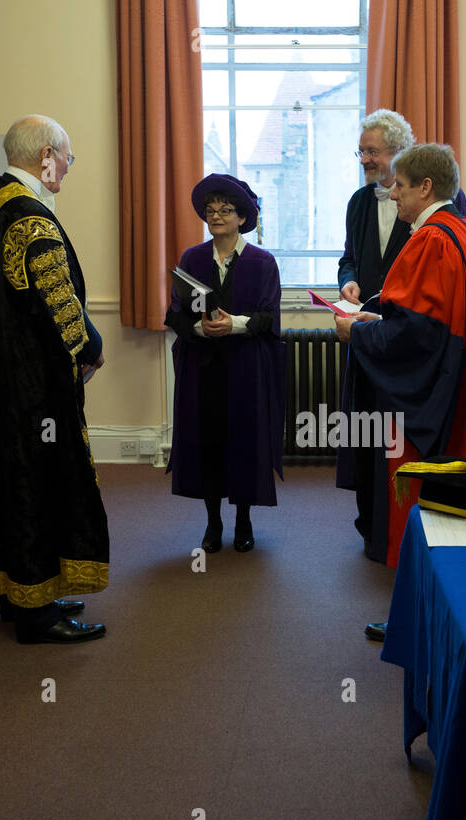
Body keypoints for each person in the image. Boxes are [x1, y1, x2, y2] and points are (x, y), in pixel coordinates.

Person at [334, 144, 466, 640]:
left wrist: (359, 333)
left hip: (433, 402)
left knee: (423, 507)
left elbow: (416, 335)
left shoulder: (431, 240)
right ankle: (445, 615)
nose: (391, 194)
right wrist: (380, 319)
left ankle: (415, 621)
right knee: (462, 514)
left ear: (425, 187)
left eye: (399, 186)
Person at [0, 114, 109, 645]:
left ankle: (18, 592)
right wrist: (92, 347)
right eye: (67, 157)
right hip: (33, 387)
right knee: (40, 485)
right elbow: (58, 302)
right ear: (47, 154)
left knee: (7, 479)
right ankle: (38, 611)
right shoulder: (30, 216)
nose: (69, 168)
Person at [336, 110, 466, 563]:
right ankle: (371, 527)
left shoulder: (445, 214)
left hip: (405, 345)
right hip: (368, 335)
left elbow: (444, 282)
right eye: (362, 151)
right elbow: (348, 257)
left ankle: (394, 533)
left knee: (396, 440)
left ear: (400, 153)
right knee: (366, 436)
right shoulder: (358, 201)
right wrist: (349, 283)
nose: (365, 160)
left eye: (372, 151)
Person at [164, 174, 285, 552]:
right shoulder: (192, 258)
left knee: (244, 444)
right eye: (210, 210)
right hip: (203, 371)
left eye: (225, 210)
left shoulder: (262, 263)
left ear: (242, 217)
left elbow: (269, 318)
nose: (216, 216)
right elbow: (175, 315)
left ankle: (244, 521)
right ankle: (213, 523)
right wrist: (199, 329)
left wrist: (234, 324)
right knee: (208, 444)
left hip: (246, 368)